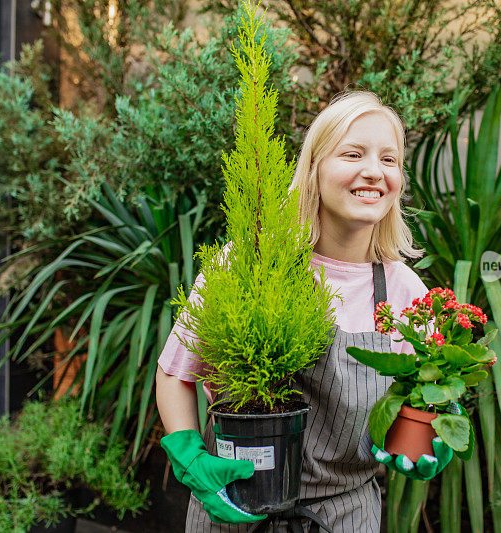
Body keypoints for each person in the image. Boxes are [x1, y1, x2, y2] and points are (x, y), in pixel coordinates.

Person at [155, 91, 453, 532]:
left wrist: (432, 434)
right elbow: (176, 372)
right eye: (353, 153)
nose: (374, 171)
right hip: (235, 510)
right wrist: (190, 455)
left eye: (389, 160)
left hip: (344, 517)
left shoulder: (403, 290)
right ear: (314, 168)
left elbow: (429, 393)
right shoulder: (250, 263)